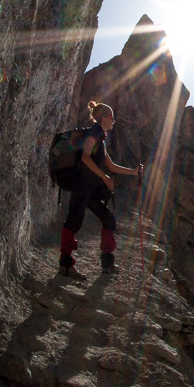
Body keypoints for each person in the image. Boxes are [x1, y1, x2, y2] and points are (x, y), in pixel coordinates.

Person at [59, 101, 142, 278]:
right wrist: (104, 177)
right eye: (111, 117)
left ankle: (107, 263)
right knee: (74, 220)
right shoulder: (93, 133)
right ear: (103, 117)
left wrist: (134, 172)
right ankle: (66, 265)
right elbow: (85, 158)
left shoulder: (100, 139)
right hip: (82, 185)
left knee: (108, 219)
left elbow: (111, 166)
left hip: (89, 188)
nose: (114, 120)